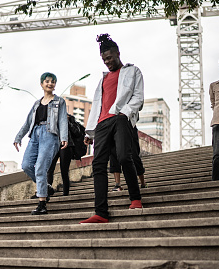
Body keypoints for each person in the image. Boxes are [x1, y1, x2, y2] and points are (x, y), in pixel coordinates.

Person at [81, 33, 144, 224]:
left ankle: (135, 199)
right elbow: (97, 105)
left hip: (120, 118)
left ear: (118, 53)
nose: (107, 62)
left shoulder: (132, 71)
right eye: (104, 59)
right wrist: (90, 132)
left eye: (110, 57)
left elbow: (138, 97)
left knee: (125, 156)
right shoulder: (103, 79)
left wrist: (125, 113)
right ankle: (101, 212)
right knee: (98, 165)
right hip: (101, 124)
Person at [14, 72, 68, 215]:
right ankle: (47, 187)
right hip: (35, 134)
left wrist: (64, 137)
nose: (50, 84)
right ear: (42, 84)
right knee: (26, 165)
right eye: (47, 81)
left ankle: (42, 204)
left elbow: (63, 120)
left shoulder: (59, 102)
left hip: (50, 135)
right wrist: (18, 137)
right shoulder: (36, 103)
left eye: (53, 82)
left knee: (40, 168)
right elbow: (27, 122)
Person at [47, 114, 85, 196]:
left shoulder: (70, 118)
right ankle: (47, 192)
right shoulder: (52, 117)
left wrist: (67, 121)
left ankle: (65, 193)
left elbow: (77, 132)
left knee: (64, 170)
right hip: (54, 145)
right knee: (49, 170)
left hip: (67, 146)